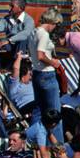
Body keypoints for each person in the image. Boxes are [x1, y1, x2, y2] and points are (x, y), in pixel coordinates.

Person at [29, 8, 65, 144]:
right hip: (47, 74)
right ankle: (57, 146)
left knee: (38, 111)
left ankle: (33, 142)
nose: (55, 27)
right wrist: (53, 62)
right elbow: (40, 55)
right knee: (54, 113)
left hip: (37, 74)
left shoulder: (33, 32)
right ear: (51, 22)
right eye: (56, 24)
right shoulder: (44, 34)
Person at [0, 0, 34, 69]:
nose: (9, 8)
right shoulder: (8, 18)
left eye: (12, 6)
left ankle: (12, 67)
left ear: (20, 8)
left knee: (22, 40)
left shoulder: (28, 20)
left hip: (23, 47)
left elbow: (26, 33)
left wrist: (9, 40)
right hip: (9, 45)